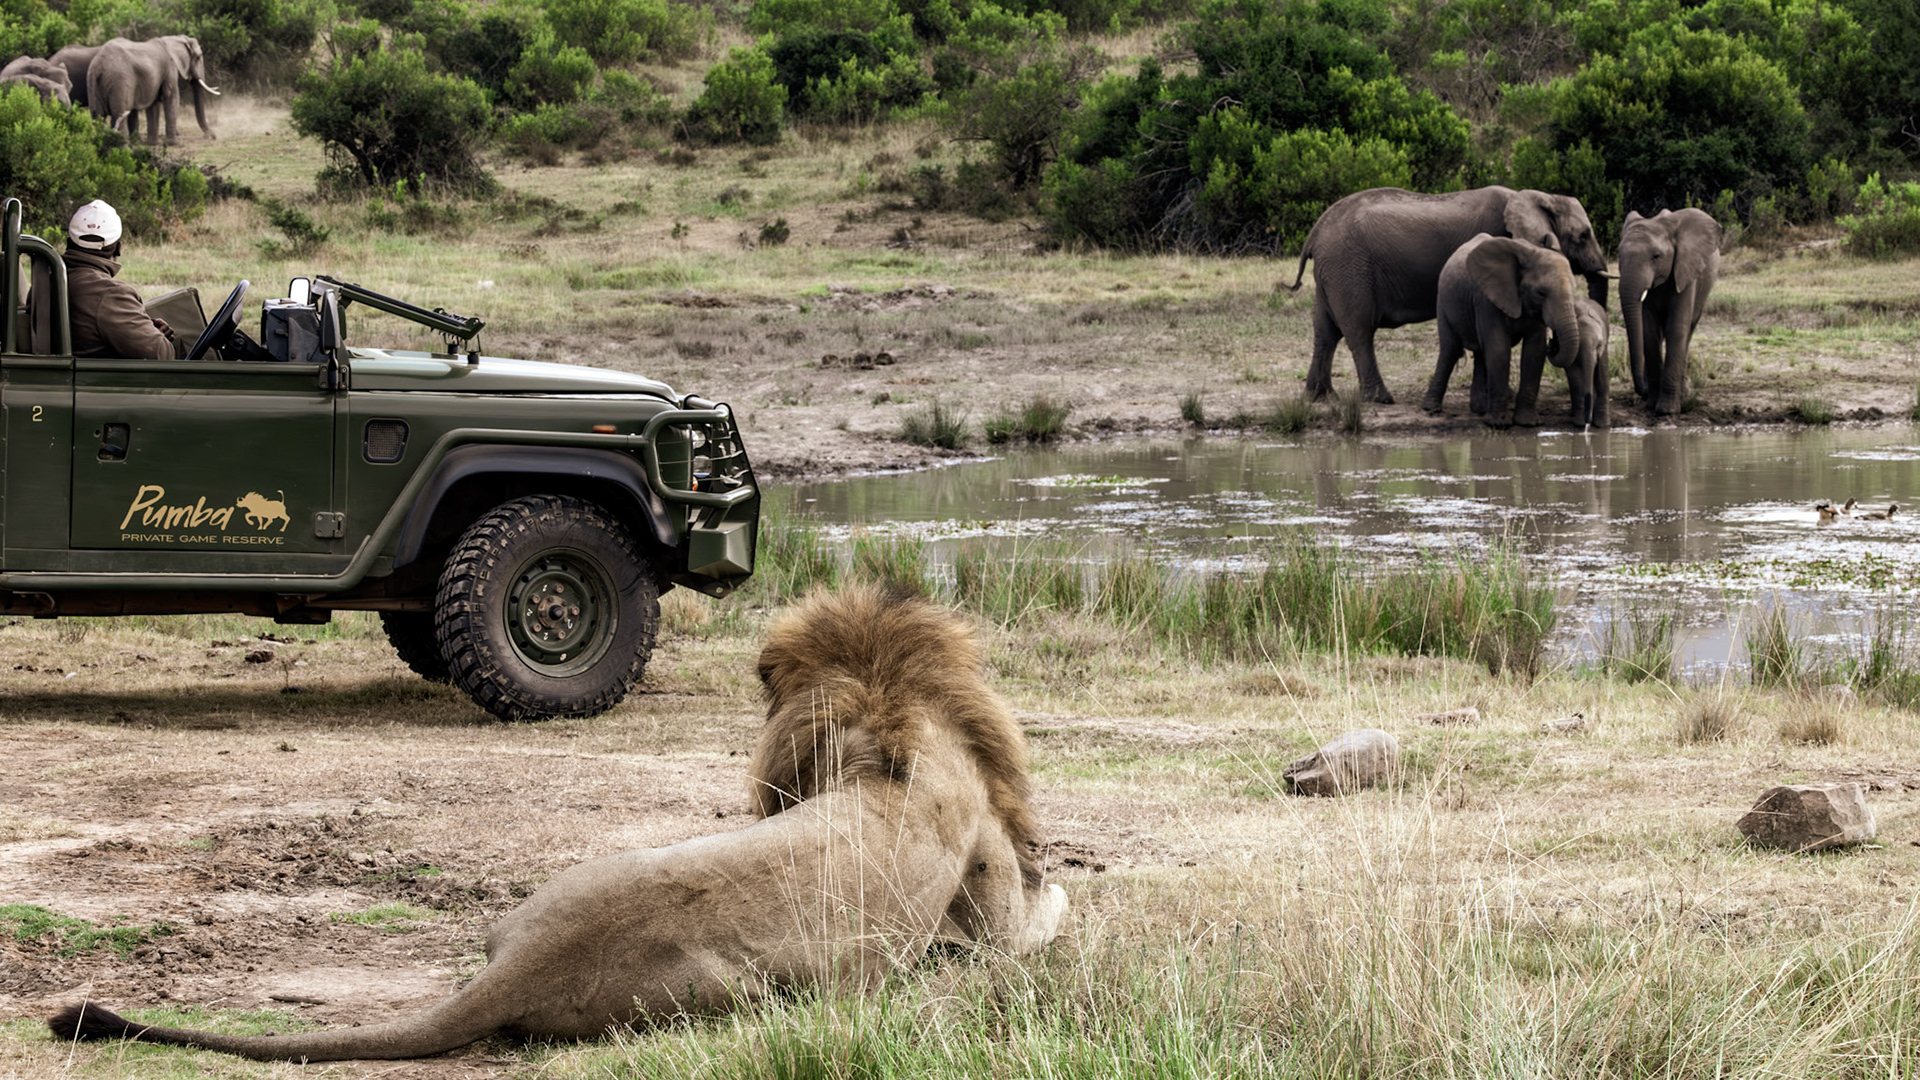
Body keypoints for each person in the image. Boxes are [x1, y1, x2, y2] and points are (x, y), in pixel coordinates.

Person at [64, 200, 175, 360]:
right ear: (118, 249)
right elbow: (160, 356)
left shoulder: (47, 278)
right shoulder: (112, 294)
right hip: (100, 381)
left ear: (69, 243)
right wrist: (157, 335)